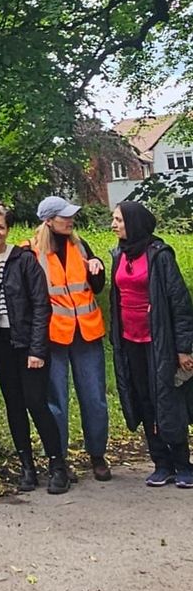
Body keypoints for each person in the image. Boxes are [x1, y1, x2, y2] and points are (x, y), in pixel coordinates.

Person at [0, 202, 68, 494]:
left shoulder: (24, 260)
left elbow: (42, 306)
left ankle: (57, 465)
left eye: (0, 226)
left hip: (27, 341)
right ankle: (27, 465)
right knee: (14, 405)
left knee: (36, 403)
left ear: (8, 229)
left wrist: (38, 350)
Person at [109, 202, 193, 488]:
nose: (114, 224)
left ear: (134, 222)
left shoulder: (160, 255)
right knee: (143, 399)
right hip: (130, 342)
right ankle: (161, 463)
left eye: (119, 219)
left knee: (167, 401)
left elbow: (180, 305)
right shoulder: (118, 254)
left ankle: (183, 464)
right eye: (114, 219)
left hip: (160, 343)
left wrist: (184, 348)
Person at [32, 196, 111, 482]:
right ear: (49, 220)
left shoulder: (80, 246)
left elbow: (96, 287)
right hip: (53, 338)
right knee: (57, 402)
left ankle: (97, 455)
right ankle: (59, 459)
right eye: (64, 216)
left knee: (94, 398)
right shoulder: (31, 252)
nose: (70, 219)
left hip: (87, 334)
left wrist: (97, 268)